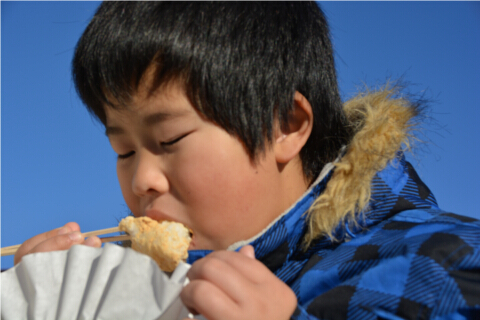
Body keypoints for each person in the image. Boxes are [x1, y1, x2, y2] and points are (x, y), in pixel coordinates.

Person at [14, 2, 480, 319]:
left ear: (286, 125)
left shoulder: (445, 264)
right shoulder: (142, 284)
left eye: (170, 138)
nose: (142, 180)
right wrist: (35, 296)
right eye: (125, 151)